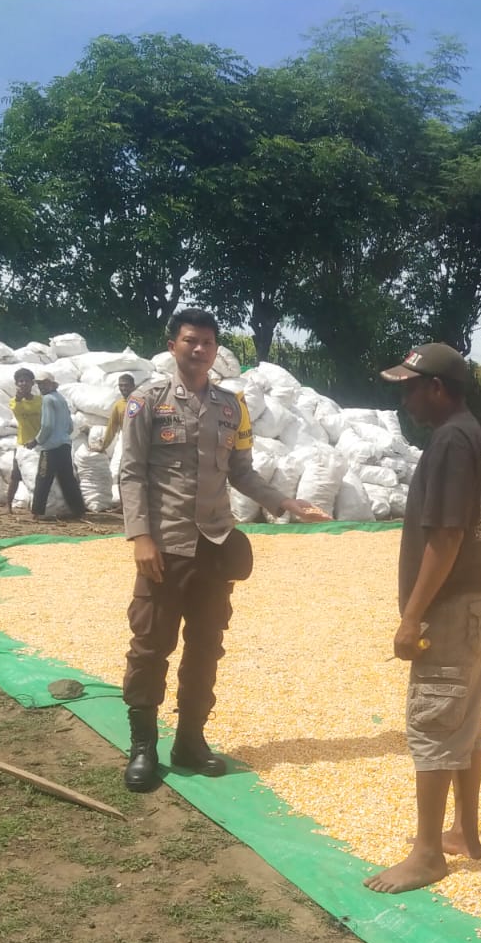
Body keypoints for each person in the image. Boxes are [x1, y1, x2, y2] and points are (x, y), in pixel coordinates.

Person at [117, 308, 329, 792]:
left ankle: (190, 740)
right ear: (173, 345)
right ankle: (143, 746)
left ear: (215, 350)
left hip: (214, 547)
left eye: (208, 343)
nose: (200, 349)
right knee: (150, 646)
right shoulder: (146, 401)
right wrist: (140, 537)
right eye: (190, 340)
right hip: (165, 547)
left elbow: (242, 472)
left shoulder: (231, 407)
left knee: (206, 647)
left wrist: (284, 501)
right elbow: (131, 473)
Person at [365, 343, 481, 895]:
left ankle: (427, 855)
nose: (405, 400)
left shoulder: (449, 441)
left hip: (452, 604)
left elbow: (446, 538)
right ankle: (464, 832)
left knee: (435, 718)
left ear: (437, 389)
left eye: (411, 388)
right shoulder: (472, 434)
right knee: (463, 716)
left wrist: (412, 616)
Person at [31, 373, 85, 520]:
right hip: (64, 445)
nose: (41, 387)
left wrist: (36, 440)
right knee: (67, 479)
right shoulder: (61, 399)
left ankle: (37, 512)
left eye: (44, 383)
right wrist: (63, 435)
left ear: (52, 384)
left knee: (43, 478)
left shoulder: (47, 399)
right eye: (39, 384)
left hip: (50, 447)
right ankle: (78, 510)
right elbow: (70, 426)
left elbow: (47, 425)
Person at [5, 367, 42, 510]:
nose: (23, 384)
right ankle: (8, 504)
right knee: (15, 476)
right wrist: (19, 399)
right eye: (20, 381)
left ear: (32, 383)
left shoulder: (40, 401)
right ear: (16, 384)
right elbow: (17, 411)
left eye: (26, 381)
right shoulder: (14, 402)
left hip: (39, 443)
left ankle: (37, 505)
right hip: (22, 444)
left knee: (38, 476)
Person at [97, 372, 137, 453]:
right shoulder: (118, 405)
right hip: (128, 444)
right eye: (120, 385)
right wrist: (103, 446)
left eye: (126, 385)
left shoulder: (141, 402)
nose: (123, 388)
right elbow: (111, 428)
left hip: (143, 443)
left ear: (133, 386)